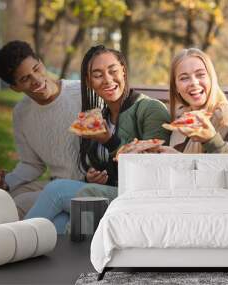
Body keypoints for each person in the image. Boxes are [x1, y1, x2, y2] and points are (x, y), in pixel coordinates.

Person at [25, 45, 171, 233]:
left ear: (124, 72)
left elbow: (152, 171)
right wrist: (92, 177)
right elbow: (107, 170)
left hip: (139, 199)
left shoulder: (150, 109)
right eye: (98, 75)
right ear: (89, 82)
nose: (108, 80)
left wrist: (109, 141)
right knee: (56, 224)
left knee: (56, 190)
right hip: (105, 194)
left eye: (113, 71)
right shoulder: (100, 116)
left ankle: (13, 240)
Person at [0, 40, 83, 218]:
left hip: (85, 184)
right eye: (25, 79)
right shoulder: (21, 113)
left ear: (41, 62)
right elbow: (32, 164)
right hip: (55, 182)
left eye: (36, 69)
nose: (36, 80)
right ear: (15, 88)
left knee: (17, 205)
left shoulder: (81, 92)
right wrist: (5, 184)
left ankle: (10, 242)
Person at [165, 48, 228, 153]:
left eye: (200, 75)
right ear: (176, 87)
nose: (194, 82)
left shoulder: (224, 117)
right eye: (184, 78)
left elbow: (225, 165)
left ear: (211, 78)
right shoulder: (181, 116)